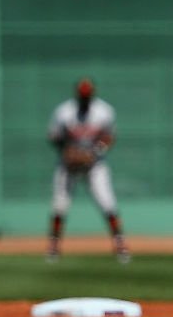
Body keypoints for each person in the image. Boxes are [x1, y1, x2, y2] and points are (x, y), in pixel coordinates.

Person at [46, 78, 130, 264]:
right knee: (59, 205)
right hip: (68, 165)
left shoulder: (104, 111)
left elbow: (109, 136)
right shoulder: (64, 112)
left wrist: (94, 152)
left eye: (87, 95)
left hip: (95, 165)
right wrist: (67, 151)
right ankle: (53, 247)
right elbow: (53, 135)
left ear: (92, 94)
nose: (84, 98)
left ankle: (120, 245)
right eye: (82, 95)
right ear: (77, 94)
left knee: (107, 203)